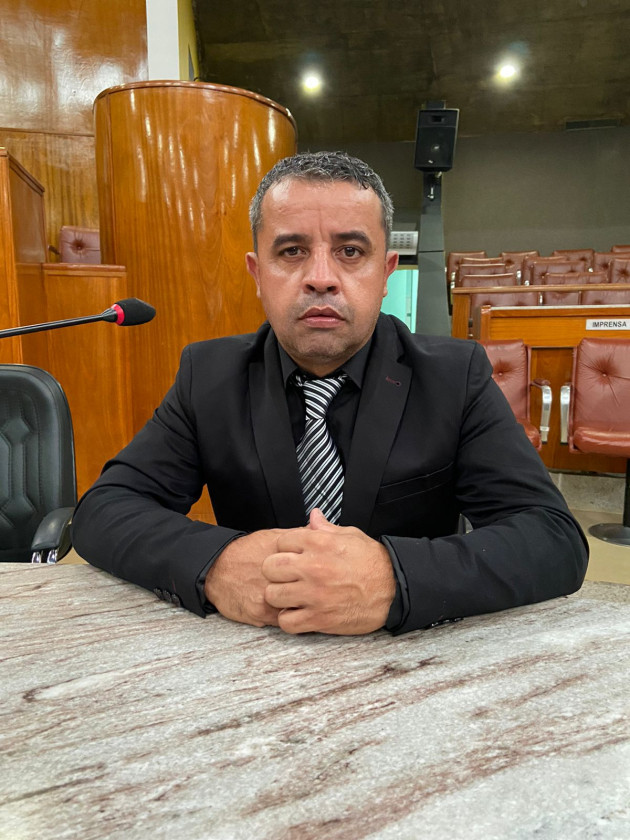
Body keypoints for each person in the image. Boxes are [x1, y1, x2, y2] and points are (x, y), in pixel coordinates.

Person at [71, 151, 588, 635]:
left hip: (410, 657)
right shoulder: (207, 375)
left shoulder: (456, 376)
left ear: (385, 273)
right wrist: (215, 563)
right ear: (258, 274)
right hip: (251, 656)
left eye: (350, 252)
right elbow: (104, 509)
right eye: (292, 251)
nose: (321, 278)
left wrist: (395, 578)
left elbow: (553, 538)